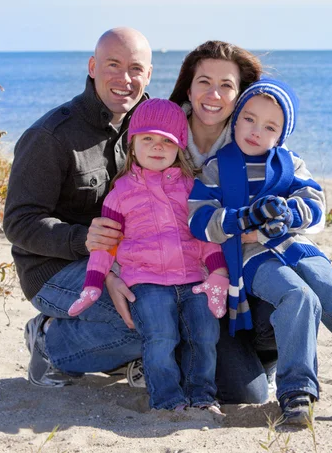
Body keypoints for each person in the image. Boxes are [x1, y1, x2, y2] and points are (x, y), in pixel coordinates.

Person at [188, 78, 332, 427]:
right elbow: (199, 218)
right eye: (249, 119)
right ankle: (296, 391)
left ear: (282, 134)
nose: (256, 131)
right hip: (254, 256)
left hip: (299, 246)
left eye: (270, 126)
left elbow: (315, 204)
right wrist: (244, 218)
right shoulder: (217, 168)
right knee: (299, 297)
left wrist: (289, 214)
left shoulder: (290, 164)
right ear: (237, 117)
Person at [86, 39, 278, 404]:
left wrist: (264, 227)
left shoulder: (254, 139)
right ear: (188, 86)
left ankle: (263, 358)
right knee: (243, 392)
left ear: (241, 95)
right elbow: (122, 206)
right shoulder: (161, 129)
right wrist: (109, 270)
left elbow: (290, 197)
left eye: (227, 85)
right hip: (170, 278)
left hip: (230, 272)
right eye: (204, 81)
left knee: (276, 308)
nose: (214, 94)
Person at [3, 27, 153, 386]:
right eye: (112, 65)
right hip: (54, 269)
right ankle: (48, 340)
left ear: (148, 75)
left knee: (171, 308)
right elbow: (19, 222)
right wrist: (85, 240)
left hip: (129, 262)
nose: (124, 79)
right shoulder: (51, 136)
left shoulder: (152, 125)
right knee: (145, 322)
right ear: (91, 66)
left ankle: (128, 357)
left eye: (135, 68)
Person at [67, 99, 228, 413]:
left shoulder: (191, 187)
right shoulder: (120, 193)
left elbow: (207, 235)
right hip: (146, 282)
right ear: (132, 145)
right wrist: (93, 283)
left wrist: (218, 271)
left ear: (179, 146)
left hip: (194, 279)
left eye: (167, 141)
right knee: (161, 337)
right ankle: (167, 400)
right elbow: (105, 245)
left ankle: (202, 397)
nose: (157, 147)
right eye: (148, 139)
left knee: (204, 335)